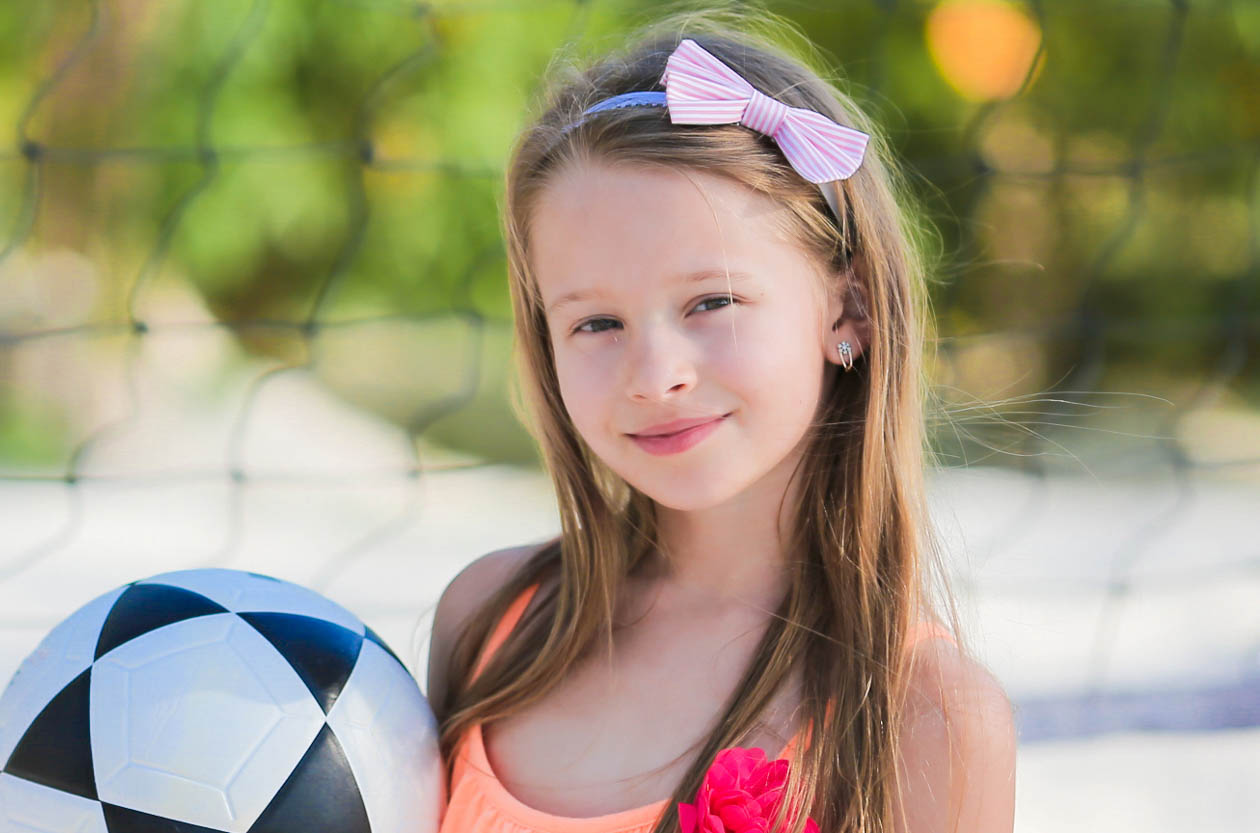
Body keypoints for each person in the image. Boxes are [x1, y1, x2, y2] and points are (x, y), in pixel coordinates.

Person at [425, 12, 1016, 833]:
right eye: (596, 323)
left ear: (850, 307)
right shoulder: (490, 621)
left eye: (712, 302)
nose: (657, 374)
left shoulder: (927, 714)